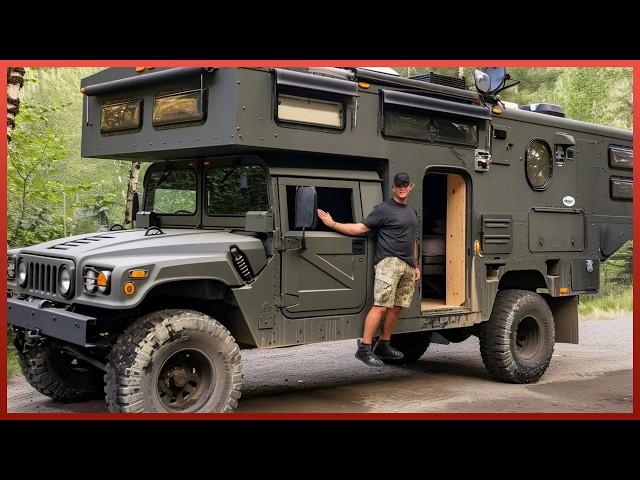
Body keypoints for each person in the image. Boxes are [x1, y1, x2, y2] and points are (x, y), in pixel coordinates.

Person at [317, 172, 420, 366]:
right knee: (381, 306)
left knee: (397, 307)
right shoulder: (384, 209)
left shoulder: (411, 212)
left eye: (405, 184)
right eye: (398, 185)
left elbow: (412, 239)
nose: (402, 187)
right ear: (393, 188)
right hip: (388, 262)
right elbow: (360, 228)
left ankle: (384, 344)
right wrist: (333, 224)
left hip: (407, 265)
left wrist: (415, 264)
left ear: (411, 187)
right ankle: (364, 348)